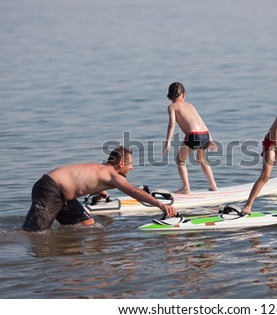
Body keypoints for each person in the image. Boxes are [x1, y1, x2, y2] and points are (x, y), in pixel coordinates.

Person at [22, 146, 177, 232]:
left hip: (62, 196)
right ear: (121, 164)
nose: (132, 167)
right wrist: (160, 205)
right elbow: (133, 192)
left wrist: (97, 190)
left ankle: (72, 251)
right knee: (35, 233)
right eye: (130, 164)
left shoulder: (103, 170)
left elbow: (82, 180)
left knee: (87, 223)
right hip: (50, 189)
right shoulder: (112, 175)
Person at [162, 82, 218, 194]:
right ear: (183, 94)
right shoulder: (191, 105)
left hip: (193, 135)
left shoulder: (172, 107)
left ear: (169, 96)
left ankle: (186, 187)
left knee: (180, 160)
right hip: (205, 133)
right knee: (202, 160)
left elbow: (172, 123)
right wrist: (210, 139)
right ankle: (213, 185)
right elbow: (201, 122)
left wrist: (168, 142)